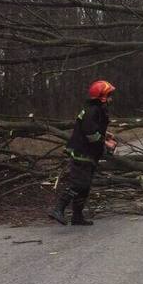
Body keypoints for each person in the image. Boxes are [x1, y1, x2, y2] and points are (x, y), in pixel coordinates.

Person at [49, 80, 117, 226]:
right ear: (102, 96)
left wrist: (106, 134)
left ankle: (77, 216)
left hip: (89, 152)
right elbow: (90, 134)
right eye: (109, 95)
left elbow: (92, 128)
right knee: (79, 184)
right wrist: (106, 143)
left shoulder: (95, 109)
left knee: (85, 185)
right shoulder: (93, 110)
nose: (111, 99)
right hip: (82, 152)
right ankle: (58, 209)